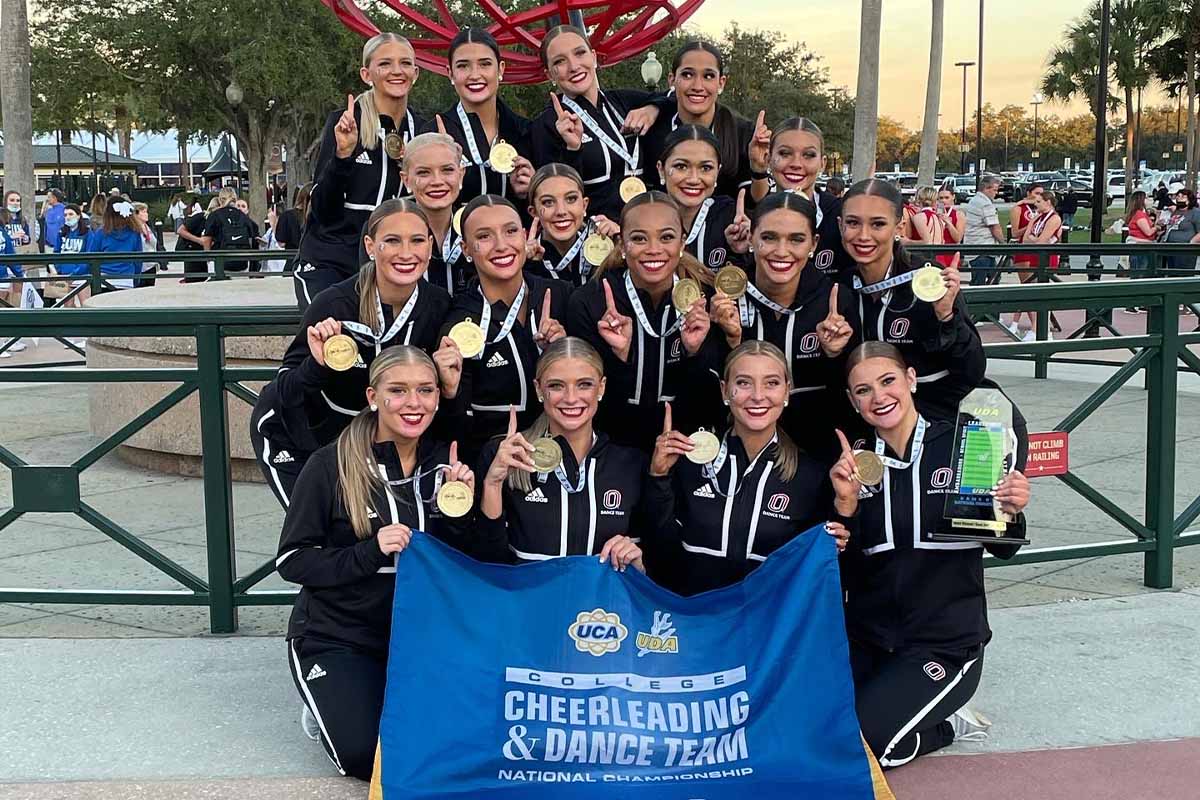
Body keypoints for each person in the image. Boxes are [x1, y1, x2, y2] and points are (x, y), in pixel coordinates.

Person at [276, 345, 477, 781]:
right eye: (398, 391)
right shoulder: (330, 465)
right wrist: (370, 551)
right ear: (373, 396)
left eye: (425, 390)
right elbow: (293, 560)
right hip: (340, 636)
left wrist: (460, 515)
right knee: (370, 758)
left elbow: (466, 563)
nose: (413, 403)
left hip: (421, 639)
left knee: (462, 749)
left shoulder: (447, 463)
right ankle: (324, 705)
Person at [833, 342, 1029, 769]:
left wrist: (1011, 509)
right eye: (863, 390)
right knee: (814, 730)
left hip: (945, 646)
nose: (879, 397)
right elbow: (844, 573)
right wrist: (844, 508)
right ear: (852, 401)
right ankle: (898, 703)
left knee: (867, 745)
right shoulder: (851, 467)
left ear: (911, 379)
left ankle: (947, 725)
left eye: (888, 381)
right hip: (870, 640)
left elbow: (1003, 545)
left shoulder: (966, 445)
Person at [250, 199, 453, 508]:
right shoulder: (334, 303)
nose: (406, 253)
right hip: (304, 440)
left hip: (380, 446)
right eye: (392, 241)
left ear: (430, 245)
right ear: (371, 246)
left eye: (417, 240)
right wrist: (317, 365)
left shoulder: (439, 306)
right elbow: (284, 392)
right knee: (323, 540)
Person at [645, 342, 848, 595]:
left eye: (771, 383)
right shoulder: (689, 461)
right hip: (695, 623)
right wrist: (658, 477)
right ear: (724, 391)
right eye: (743, 383)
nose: (757, 395)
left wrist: (845, 509)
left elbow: (821, 573)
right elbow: (660, 552)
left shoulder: (810, 476)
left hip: (767, 627)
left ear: (787, 391)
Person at [695, 192, 858, 461]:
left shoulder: (836, 300)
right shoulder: (724, 297)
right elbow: (705, 394)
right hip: (740, 451)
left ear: (814, 244)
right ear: (751, 238)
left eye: (796, 239)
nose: (782, 251)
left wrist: (834, 356)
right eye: (769, 237)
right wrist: (731, 342)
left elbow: (850, 396)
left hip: (817, 451)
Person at [565, 190, 716, 452]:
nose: (654, 249)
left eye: (666, 237)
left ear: (682, 243)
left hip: (684, 446)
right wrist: (620, 358)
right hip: (610, 449)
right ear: (622, 245)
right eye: (639, 239)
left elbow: (712, 401)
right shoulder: (590, 302)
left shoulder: (704, 297)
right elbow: (584, 402)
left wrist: (695, 353)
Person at [476, 338, 648, 567]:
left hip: (597, 604)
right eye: (556, 385)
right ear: (539, 389)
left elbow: (647, 574)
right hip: (528, 602)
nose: (570, 398)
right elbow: (487, 566)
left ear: (602, 387)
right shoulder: (506, 457)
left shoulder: (630, 464)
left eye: (584, 384)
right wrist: (492, 484)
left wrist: (637, 564)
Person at [437, 195, 572, 463]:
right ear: (465, 248)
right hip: (492, 461)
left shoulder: (562, 296)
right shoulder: (458, 322)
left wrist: (566, 351)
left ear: (524, 236)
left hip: (563, 454)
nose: (501, 245)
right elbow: (451, 429)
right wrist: (451, 392)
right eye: (484, 236)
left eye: (510, 231)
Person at [296, 33, 426, 307]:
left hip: (390, 260)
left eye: (405, 64)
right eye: (385, 64)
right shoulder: (345, 122)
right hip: (332, 260)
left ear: (415, 73)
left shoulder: (422, 129)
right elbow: (323, 210)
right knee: (331, 338)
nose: (396, 71)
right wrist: (342, 156)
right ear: (367, 74)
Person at [840, 178, 984, 423]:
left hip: (941, 421)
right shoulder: (840, 287)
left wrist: (947, 318)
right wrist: (832, 351)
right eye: (853, 223)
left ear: (899, 227)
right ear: (840, 225)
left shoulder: (929, 279)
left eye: (878, 224)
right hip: (871, 425)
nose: (863, 235)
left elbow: (972, 371)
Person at [530, 25, 662, 220]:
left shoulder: (623, 101)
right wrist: (572, 150)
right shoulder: (547, 124)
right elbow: (554, 197)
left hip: (646, 225)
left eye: (580, 53)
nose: (574, 66)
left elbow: (674, 98)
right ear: (549, 74)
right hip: (597, 238)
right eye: (560, 61)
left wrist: (652, 109)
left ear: (593, 57)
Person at [422, 29, 533, 208]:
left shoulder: (526, 131)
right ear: (450, 73)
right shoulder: (433, 133)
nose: (474, 75)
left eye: (485, 64)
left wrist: (532, 189)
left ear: (500, 69)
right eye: (463, 66)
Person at [641, 40, 754, 202]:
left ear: (721, 83)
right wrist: (653, 106)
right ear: (672, 80)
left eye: (708, 76)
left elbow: (755, 200)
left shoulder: (743, 132)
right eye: (687, 74)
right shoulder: (651, 129)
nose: (697, 86)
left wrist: (760, 169)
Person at [747, 117, 850, 283]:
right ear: (768, 158)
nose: (796, 163)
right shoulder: (752, 213)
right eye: (785, 153)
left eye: (808, 155)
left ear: (822, 163)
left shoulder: (840, 213)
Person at [656, 124, 751, 271]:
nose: (694, 179)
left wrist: (744, 252)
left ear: (718, 172)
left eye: (705, 168)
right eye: (681, 166)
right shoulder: (643, 217)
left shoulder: (731, 219)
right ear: (661, 170)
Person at [523, 163, 619, 286]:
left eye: (571, 199)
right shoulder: (525, 262)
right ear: (534, 211)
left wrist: (622, 246)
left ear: (584, 205)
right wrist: (528, 266)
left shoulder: (605, 248)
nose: (561, 211)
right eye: (548, 202)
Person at [401, 132, 470, 295]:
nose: (437, 181)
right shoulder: (386, 230)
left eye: (447, 170)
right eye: (424, 173)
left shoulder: (475, 227)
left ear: (460, 175)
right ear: (406, 180)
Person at [1009, 190, 1061, 340]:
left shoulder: (1054, 218)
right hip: (1034, 257)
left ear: (1048, 202)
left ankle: (1040, 330)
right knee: (1033, 292)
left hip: (1046, 258)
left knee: (1043, 293)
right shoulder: (1038, 218)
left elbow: (1041, 241)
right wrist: (1032, 224)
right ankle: (1037, 329)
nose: (1035, 205)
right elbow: (1025, 239)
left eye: (1038, 202)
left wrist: (1033, 238)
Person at [90, 199, 143, 290]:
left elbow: (92, 257)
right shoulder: (135, 233)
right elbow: (138, 259)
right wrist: (136, 278)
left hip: (103, 279)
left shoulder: (101, 233)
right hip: (127, 278)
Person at [962, 175, 1004, 287]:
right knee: (988, 281)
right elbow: (994, 227)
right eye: (994, 190)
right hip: (983, 248)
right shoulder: (985, 203)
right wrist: (1003, 244)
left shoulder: (974, 201)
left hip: (975, 247)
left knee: (981, 279)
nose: (996, 193)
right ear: (986, 189)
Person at [201, 188, 254, 273]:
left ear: (219, 200)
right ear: (235, 199)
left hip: (220, 261)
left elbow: (207, 240)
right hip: (242, 262)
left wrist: (208, 259)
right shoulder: (243, 216)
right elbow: (251, 237)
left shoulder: (215, 215)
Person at [51, 204, 92, 314]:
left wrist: (76, 273)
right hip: (65, 275)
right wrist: (59, 270)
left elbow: (89, 255)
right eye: (65, 215)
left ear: (78, 216)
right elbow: (56, 252)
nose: (67, 217)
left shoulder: (87, 233)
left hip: (82, 275)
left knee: (86, 305)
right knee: (68, 306)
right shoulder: (62, 233)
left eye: (71, 214)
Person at [1124, 190, 1157, 297]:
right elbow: (1148, 232)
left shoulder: (1139, 214)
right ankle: (1133, 302)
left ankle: (1136, 301)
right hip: (1140, 246)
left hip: (1140, 245)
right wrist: (1157, 227)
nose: (1149, 200)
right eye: (1146, 198)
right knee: (1140, 273)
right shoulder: (1139, 215)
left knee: (1139, 273)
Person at [1161, 187, 1200, 273]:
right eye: (1178, 196)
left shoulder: (1195, 212)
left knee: (1182, 273)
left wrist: (1191, 243)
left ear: (1189, 199)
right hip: (1170, 247)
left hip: (1184, 249)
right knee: (1171, 272)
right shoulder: (1176, 212)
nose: (1179, 198)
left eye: (1183, 196)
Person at [935, 187, 964, 269]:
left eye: (947, 197)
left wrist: (948, 223)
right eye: (941, 198)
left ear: (953, 197)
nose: (943, 201)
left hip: (951, 251)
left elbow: (958, 238)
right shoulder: (935, 213)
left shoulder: (959, 214)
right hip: (937, 251)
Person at [40, 188, 66, 253]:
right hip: (48, 245)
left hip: (61, 244)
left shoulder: (65, 210)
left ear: (54, 198)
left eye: (49, 197)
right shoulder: (48, 211)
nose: (47, 199)